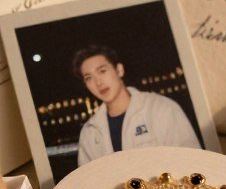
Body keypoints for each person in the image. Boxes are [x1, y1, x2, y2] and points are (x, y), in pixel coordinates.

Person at [72, 45, 202, 167]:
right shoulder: (90, 132)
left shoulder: (160, 109)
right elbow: (88, 184)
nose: (98, 82)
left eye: (102, 71)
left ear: (119, 70)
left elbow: (192, 163)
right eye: (89, 78)